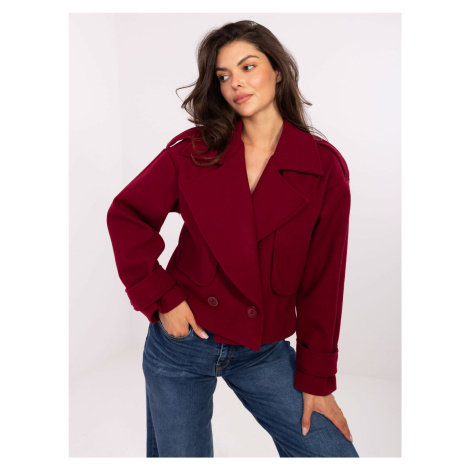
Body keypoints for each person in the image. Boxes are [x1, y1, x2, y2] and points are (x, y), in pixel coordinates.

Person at [106, 20, 359, 458]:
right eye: (223, 75)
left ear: (277, 70)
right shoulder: (193, 151)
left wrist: (318, 380)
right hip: (183, 342)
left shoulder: (322, 168)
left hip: (262, 350)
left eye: (248, 66)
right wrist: (162, 298)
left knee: (330, 453)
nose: (235, 83)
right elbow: (127, 215)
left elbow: (323, 281)